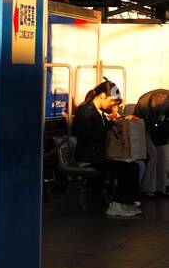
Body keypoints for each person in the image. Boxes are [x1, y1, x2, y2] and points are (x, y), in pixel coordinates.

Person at [72, 80, 141, 217]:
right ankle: (118, 204)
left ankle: (126, 202)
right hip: (90, 157)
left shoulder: (98, 112)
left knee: (133, 165)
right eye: (111, 100)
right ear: (102, 96)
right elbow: (86, 134)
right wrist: (109, 129)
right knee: (128, 168)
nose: (111, 105)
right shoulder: (86, 111)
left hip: (97, 155)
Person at [134, 88, 169, 197]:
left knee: (162, 156)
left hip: (160, 128)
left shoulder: (165, 104)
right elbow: (140, 122)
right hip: (144, 128)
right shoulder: (143, 105)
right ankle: (147, 188)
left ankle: (161, 188)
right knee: (152, 154)